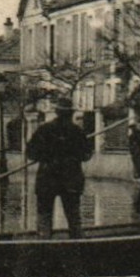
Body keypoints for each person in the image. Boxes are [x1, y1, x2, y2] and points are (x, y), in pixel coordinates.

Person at [25, 97, 93, 239]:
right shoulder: (77, 132)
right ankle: (78, 244)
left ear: (56, 112)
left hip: (47, 177)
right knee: (73, 216)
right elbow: (87, 155)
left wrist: (44, 156)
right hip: (71, 178)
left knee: (44, 215)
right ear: (71, 113)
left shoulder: (44, 129)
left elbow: (31, 153)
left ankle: (43, 243)